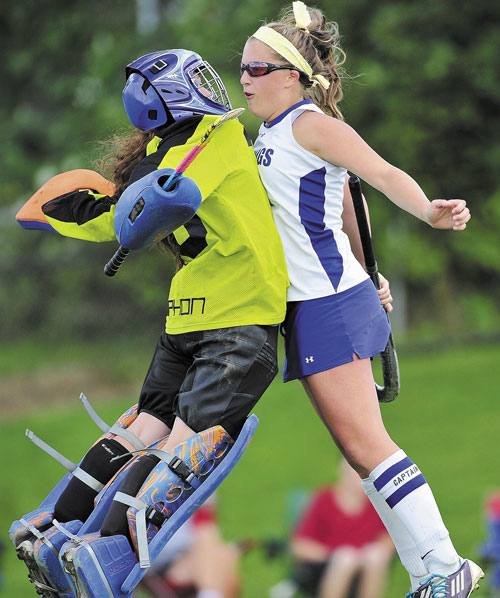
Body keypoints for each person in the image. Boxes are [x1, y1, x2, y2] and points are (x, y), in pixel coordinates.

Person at [11, 48, 288, 597]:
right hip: (241, 320)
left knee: (142, 428)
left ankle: (56, 528)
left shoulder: (146, 167)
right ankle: (103, 549)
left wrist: (92, 211)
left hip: (187, 314)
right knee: (182, 445)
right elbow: (171, 191)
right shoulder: (215, 137)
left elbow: (111, 211)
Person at [239, 3, 483, 597]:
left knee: (368, 445)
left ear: (293, 75)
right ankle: (432, 572)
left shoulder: (310, 123)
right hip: (315, 303)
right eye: (240, 64)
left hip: (327, 300)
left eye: (256, 66)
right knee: (358, 453)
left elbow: (379, 174)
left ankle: (446, 567)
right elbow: (346, 203)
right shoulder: (270, 132)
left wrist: (428, 210)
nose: (243, 75)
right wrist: (370, 268)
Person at [290, 458, 394, 598]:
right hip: (324, 569)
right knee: (345, 558)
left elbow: (389, 540)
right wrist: (336, 555)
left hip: (366, 566)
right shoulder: (323, 500)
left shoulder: (377, 503)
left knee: (375, 556)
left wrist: (363, 556)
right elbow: (300, 546)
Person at [140, 495, 241, 598]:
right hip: (143, 562)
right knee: (221, 561)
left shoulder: (197, 483)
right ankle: (210, 593)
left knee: (223, 561)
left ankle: (209, 592)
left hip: (181, 559)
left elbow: (204, 527)